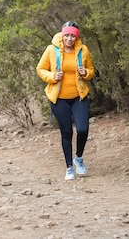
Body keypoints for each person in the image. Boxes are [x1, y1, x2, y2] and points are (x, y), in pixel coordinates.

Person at [36, 21, 95, 180]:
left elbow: (91, 71)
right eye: (67, 35)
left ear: (77, 36)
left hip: (79, 96)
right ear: (62, 35)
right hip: (59, 98)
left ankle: (79, 158)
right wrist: (52, 76)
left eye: (73, 35)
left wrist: (85, 73)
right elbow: (40, 69)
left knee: (82, 129)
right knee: (67, 131)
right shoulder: (51, 50)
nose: (69, 39)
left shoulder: (83, 51)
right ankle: (69, 167)